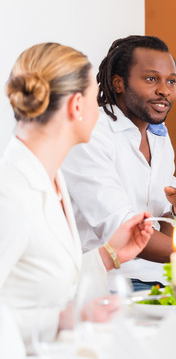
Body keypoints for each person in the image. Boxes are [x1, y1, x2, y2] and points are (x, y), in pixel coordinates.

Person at [0, 42, 154, 348]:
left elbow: (38, 276)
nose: (100, 107)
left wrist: (109, 255)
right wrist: (65, 320)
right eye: (95, 96)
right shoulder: (10, 191)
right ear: (76, 106)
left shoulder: (51, 177)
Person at [62, 36, 176, 291]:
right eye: (151, 79)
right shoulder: (92, 133)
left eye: (171, 81)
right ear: (118, 83)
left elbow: (159, 235)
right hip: (107, 285)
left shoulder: (159, 138)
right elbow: (123, 231)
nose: (164, 90)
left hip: (158, 279)